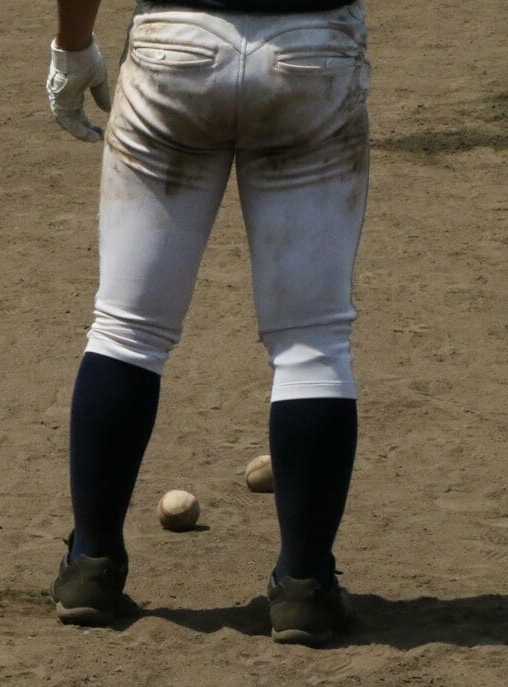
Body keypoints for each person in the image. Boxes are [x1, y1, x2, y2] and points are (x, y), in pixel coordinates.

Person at [45, 0, 370, 645]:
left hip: (177, 49)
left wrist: (74, 47)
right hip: (312, 52)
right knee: (313, 341)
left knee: (127, 329)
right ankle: (305, 585)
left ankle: (91, 565)